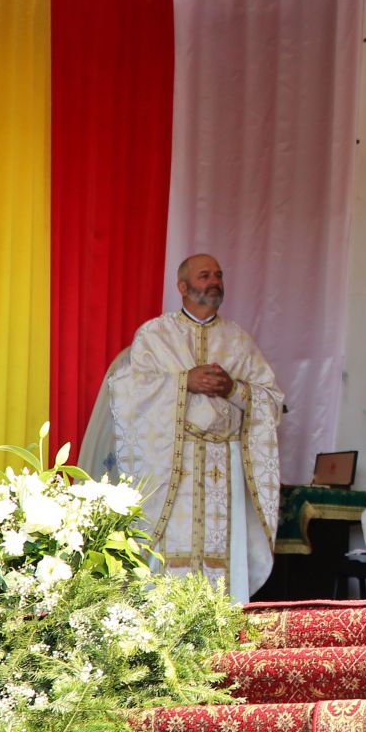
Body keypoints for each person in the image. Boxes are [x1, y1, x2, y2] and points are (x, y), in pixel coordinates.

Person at [110, 254, 285, 601]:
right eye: (205, 275)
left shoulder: (239, 341)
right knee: (172, 550)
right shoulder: (155, 334)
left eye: (218, 275)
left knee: (222, 556)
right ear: (183, 286)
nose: (214, 281)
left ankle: (224, 626)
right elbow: (126, 391)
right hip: (175, 462)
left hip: (226, 462)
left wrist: (233, 389)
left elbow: (273, 400)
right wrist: (183, 382)